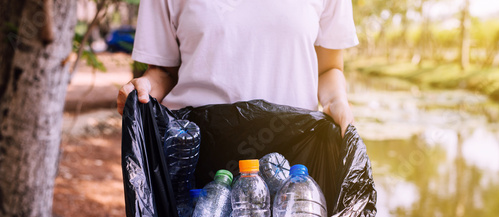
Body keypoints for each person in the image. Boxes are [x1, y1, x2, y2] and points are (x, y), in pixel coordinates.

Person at [117, 0, 358, 137]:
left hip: (291, 161)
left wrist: (337, 101)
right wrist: (144, 87)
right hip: (193, 154)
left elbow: (328, 70)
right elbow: (165, 72)